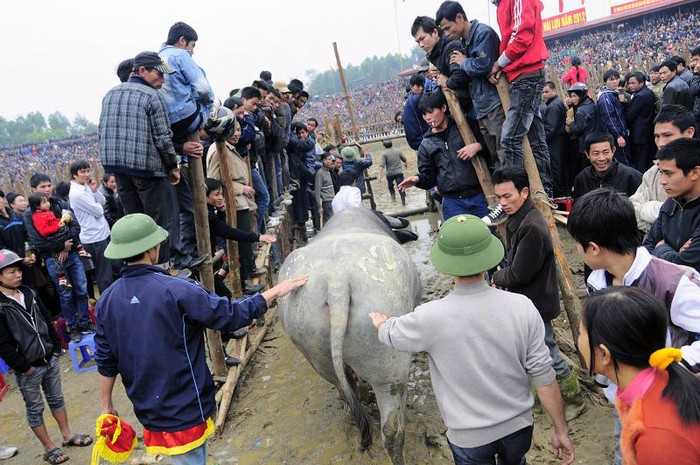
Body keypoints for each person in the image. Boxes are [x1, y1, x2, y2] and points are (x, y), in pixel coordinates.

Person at [95, 214, 307, 465]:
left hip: (147, 409)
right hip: (185, 406)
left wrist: (106, 406)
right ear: (153, 248)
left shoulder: (106, 301)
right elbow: (230, 315)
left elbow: (105, 359)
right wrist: (274, 292)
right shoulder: (177, 288)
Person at [369, 214, 574, 465]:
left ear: (445, 264)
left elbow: (393, 334)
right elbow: (544, 376)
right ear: (490, 257)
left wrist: (381, 324)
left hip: (469, 437)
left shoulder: (429, 317)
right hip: (519, 426)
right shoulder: (522, 306)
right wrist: (561, 430)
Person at [567, 187, 700, 465]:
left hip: (666, 399)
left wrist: (669, 363)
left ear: (593, 248)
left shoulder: (673, 283)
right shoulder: (598, 282)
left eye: (577, 244)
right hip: (624, 394)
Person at [491, 166, 585, 420]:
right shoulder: (519, 216)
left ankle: (575, 397)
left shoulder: (531, 225)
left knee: (547, 351)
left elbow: (519, 273)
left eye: (507, 196)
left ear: (524, 192)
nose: (502, 203)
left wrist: (496, 277)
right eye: (498, 197)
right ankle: (535, 398)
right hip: (527, 301)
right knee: (528, 351)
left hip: (536, 302)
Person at [577, 286, 700, 465]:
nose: (578, 339)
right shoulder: (664, 377)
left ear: (604, 354)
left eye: (581, 333)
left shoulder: (656, 439)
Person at [0, 249, 92, 465]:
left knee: (57, 398)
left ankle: (67, 435)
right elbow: (2, 343)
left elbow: (46, 317)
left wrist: (55, 347)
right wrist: (23, 367)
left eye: (19, 270)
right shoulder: (2, 306)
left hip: (48, 358)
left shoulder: (29, 293)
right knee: (35, 407)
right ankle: (49, 446)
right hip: (28, 367)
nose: (18, 275)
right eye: (12, 272)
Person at [98, 51, 180, 267]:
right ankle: (161, 268)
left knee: (133, 221)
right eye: (158, 74)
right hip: (147, 169)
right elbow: (163, 137)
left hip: (117, 167)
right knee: (155, 224)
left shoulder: (110, 94)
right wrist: (172, 166)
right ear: (142, 71)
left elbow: (102, 132)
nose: (162, 80)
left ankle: (138, 268)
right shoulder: (152, 96)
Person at [489, 0, 553, 196]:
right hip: (525, 74)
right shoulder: (503, 4)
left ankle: (515, 194)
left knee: (510, 139)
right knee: (535, 138)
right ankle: (545, 192)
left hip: (527, 75)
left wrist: (499, 63)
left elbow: (521, 36)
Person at [398, 89, 489, 221]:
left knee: (487, 236)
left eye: (430, 111)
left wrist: (478, 146)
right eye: (424, 114)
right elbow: (429, 178)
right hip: (452, 202)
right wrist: (418, 180)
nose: (427, 117)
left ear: (443, 108)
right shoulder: (426, 144)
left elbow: (492, 149)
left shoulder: (464, 127)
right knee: (456, 240)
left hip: (480, 195)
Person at [437, 1, 507, 168]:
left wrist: (464, 62)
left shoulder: (483, 33)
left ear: (460, 18)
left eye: (448, 28)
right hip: (482, 106)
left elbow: (483, 65)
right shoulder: (464, 41)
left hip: (494, 104)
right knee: (494, 155)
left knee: (504, 152)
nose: (446, 34)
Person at [24, 174, 92, 343]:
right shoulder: (29, 214)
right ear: (34, 190)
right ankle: (73, 327)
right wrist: (62, 246)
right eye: (42, 187)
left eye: (49, 185)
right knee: (65, 294)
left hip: (73, 254)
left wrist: (67, 244)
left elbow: (75, 226)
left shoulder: (60, 203)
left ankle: (85, 323)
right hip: (53, 259)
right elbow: (38, 241)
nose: (47, 190)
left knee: (82, 289)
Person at [206, 109, 266, 294]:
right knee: (239, 241)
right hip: (233, 201)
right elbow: (215, 180)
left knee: (245, 238)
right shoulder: (219, 150)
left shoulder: (229, 147)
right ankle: (244, 281)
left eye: (239, 129)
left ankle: (248, 271)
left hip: (240, 199)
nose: (238, 133)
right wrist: (239, 189)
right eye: (235, 129)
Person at [630, 104, 695, 233]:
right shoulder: (652, 173)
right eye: (657, 136)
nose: (660, 143)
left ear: (689, 133)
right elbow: (632, 209)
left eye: (667, 135)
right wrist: (661, 230)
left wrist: (650, 209)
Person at [204, 178, 275, 297]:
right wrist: (257, 237)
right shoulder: (206, 215)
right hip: (199, 262)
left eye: (221, 194)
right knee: (224, 295)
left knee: (221, 290)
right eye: (216, 195)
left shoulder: (210, 211)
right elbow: (228, 232)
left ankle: (219, 277)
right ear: (205, 197)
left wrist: (221, 211)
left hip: (208, 260)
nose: (221, 197)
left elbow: (220, 227)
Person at [643, 138, 700, 271]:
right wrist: (673, 254)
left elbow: (685, 265)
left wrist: (661, 248)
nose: (662, 181)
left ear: (694, 173)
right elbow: (645, 251)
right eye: (661, 173)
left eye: (668, 174)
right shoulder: (671, 203)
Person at [68, 160, 112, 293]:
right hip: (94, 237)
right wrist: (97, 204)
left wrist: (94, 191)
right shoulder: (77, 193)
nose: (87, 174)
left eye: (88, 171)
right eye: (83, 171)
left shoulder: (85, 187)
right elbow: (99, 211)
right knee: (104, 275)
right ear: (74, 175)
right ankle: (107, 303)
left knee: (110, 270)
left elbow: (103, 201)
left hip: (102, 233)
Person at [571, 132, 642, 200]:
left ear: (613, 151)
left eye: (606, 152)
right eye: (596, 153)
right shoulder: (582, 179)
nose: (601, 158)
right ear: (587, 154)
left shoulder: (632, 177)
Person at [28, 194, 76, 291]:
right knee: (56, 257)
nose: (48, 204)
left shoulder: (48, 212)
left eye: (47, 201)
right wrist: (59, 226)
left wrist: (63, 219)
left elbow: (54, 222)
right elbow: (44, 231)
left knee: (69, 234)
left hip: (58, 234)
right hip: (53, 237)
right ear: (37, 206)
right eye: (44, 202)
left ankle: (79, 248)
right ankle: (62, 278)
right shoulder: (38, 216)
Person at [624, 71, 657, 173]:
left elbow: (629, 116)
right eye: (629, 83)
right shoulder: (648, 92)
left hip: (639, 135)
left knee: (640, 162)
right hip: (647, 132)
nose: (630, 86)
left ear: (641, 83)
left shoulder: (639, 97)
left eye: (633, 83)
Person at [541, 81, 570, 197]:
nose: (544, 94)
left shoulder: (553, 106)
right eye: (543, 92)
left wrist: (543, 142)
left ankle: (559, 193)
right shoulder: (555, 103)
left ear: (554, 91)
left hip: (556, 141)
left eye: (547, 92)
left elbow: (550, 128)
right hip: (560, 140)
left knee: (557, 167)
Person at [566, 83, 599, 184]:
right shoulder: (591, 104)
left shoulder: (581, 111)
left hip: (585, 144)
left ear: (581, 95)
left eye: (575, 96)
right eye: (571, 96)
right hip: (595, 140)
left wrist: (571, 124)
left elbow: (578, 129)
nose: (572, 99)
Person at [596, 70, 630, 165]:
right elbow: (609, 117)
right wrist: (618, 135)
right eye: (611, 80)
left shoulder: (613, 93)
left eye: (616, 79)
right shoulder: (605, 96)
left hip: (619, 133)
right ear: (605, 81)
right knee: (623, 161)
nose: (615, 81)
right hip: (615, 136)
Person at [402, 74, 431, 152]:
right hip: (421, 140)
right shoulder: (417, 99)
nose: (421, 88)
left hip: (416, 141)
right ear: (411, 87)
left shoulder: (410, 97)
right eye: (418, 86)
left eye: (422, 85)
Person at [377, 139, 408, 205]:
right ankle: (403, 202)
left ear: (384, 146)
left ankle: (393, 200)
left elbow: (382, 165)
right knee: (401, 186)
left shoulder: (384, 154)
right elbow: (404, 159)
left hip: (390, 174)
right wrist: (406, 164)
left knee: (390, 186)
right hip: (399, 172)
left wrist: (379, 175)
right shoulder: (398, 151)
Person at [314, 152, 336, 227]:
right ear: (322, 161)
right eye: (326, 159)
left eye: (329, 159)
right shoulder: (320, 173)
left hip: (333, 200)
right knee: (329, 222)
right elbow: (317, 190)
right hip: (326, 201)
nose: (328, 161)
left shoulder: (330, 172)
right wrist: (319, 206)